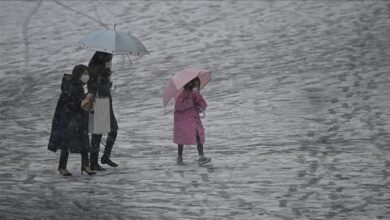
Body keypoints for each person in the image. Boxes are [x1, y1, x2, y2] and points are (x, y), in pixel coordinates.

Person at [48, 64, 96, 176]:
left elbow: (79, 100)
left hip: (79, 119)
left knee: (84, 141)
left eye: (87, 74)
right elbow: (70, 104)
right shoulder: (70, 87)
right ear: (78, 74)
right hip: (69, 120)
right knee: (67, 143)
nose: (86, 76)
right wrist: (84, 101)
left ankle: (85, 165)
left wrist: (87, 100)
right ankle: (62, 167)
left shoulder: (77, 86)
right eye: (84, 74)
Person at [83, 51, 118, 171]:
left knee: (112, 130)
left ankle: (104, 157)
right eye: (110, 56)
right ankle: (94, 162)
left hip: (105, 100)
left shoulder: (101, 66)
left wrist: (107, 79)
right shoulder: (98, 68)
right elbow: (96, 86)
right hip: (100, 101)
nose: (111, 58)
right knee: (98, 133)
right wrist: (105, 78)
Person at [174, 77, 211, 165]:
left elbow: (203, 103)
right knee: (182, 138)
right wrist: (188, 102)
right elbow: (178, 106)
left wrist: (199, 105)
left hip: (194, 119)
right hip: (184, 121)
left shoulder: (196, 93)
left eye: (198, 86)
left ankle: (201, 156)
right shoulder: (182, 94)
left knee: (199, 136)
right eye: (196, 86)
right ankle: (179, 157)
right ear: (190, 84)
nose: (197, 88)